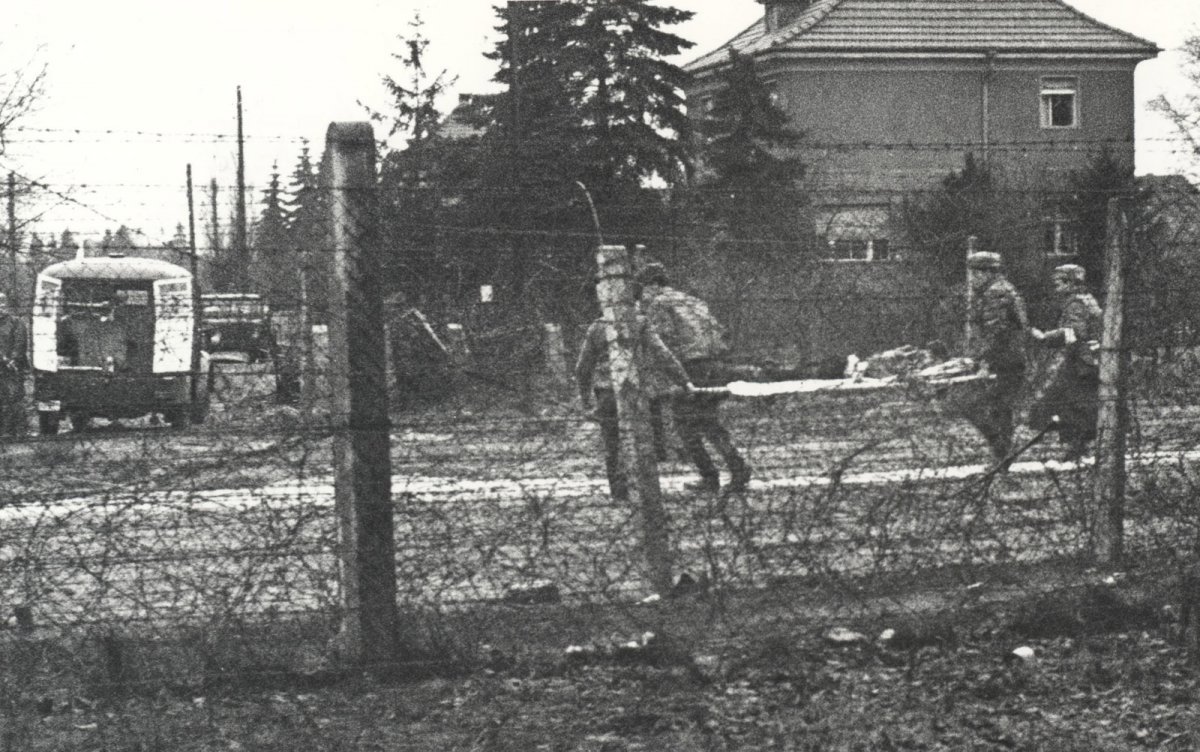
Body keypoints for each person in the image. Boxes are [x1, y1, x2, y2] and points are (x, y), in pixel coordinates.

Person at [636, 262, 751, 494]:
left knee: (684, 425)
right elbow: (719, 331)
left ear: (653, 285)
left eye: (643, 288)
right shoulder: (694, 301)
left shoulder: (659, 303)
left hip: (691, 368)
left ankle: (710, 476)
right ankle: (737, 467)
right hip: (715, 365)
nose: (643, 294)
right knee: (708, 421)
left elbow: (662, 339)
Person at [574, 307, 693, 502]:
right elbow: (662, 354)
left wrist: (586, 401)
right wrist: (684, 381)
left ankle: (619, 494)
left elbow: (583, 368)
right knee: (644, 442)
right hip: (637, 389)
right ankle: (647, 492)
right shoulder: (641, 323)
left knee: (613, 446)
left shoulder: (597, 327)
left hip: (607, 392)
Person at [1028, 263, 1103, 461]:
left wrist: (1045, 337)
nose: (1056, 288)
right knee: (1079, 405)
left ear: (1070, 283)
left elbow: (1073, 332)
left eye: (1059, 283)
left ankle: (1076, 450)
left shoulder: (1075, 304)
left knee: (1072, 404)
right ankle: (1079, 449)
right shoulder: (1088, 300)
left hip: (1079, 362)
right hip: (1089, 360)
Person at [961, 251, 1029, 468]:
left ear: (987, 272)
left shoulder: (995, 293)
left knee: (979, 406)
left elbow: (996, 332)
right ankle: (1002, 455)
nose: (973, 279)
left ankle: (1002, 455)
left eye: (976, 273)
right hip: (1010, 357)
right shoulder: (1003, 289)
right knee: (999, 408)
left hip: (1004, 359)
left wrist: (982, 361)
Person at [0, 292, 29, 437]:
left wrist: (13, 359)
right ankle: (4, 430)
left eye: (2, 304)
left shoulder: (16, 322)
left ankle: (19, 431)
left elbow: (20, 343)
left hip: (12, 368)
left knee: (15, 399)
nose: (0, 307)